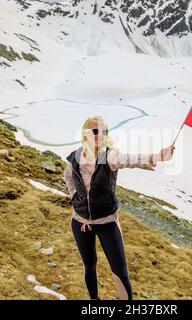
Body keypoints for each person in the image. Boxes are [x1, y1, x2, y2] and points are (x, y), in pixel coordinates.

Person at [63, 115, 175, 300]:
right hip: (79, 222)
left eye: (104, 131)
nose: (101, 135)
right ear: (85, 134)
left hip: (107, 223)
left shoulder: (108, 156)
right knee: (89, 266)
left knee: (120, 273)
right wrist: (73, 195)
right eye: (96, 131)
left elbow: (130, 159)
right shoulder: (75, 157)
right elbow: (68, 176)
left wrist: (158, 156)